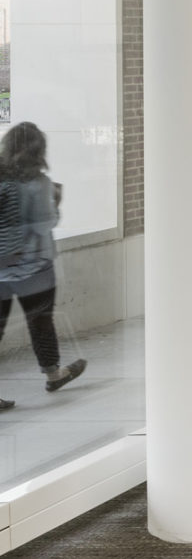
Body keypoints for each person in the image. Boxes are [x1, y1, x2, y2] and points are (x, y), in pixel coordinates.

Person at [0, 123, 85, 409]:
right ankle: (54, 374)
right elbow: (44, 224)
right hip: (33, 269)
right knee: (40, 322)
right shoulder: (39, 184)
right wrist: (56, 202)